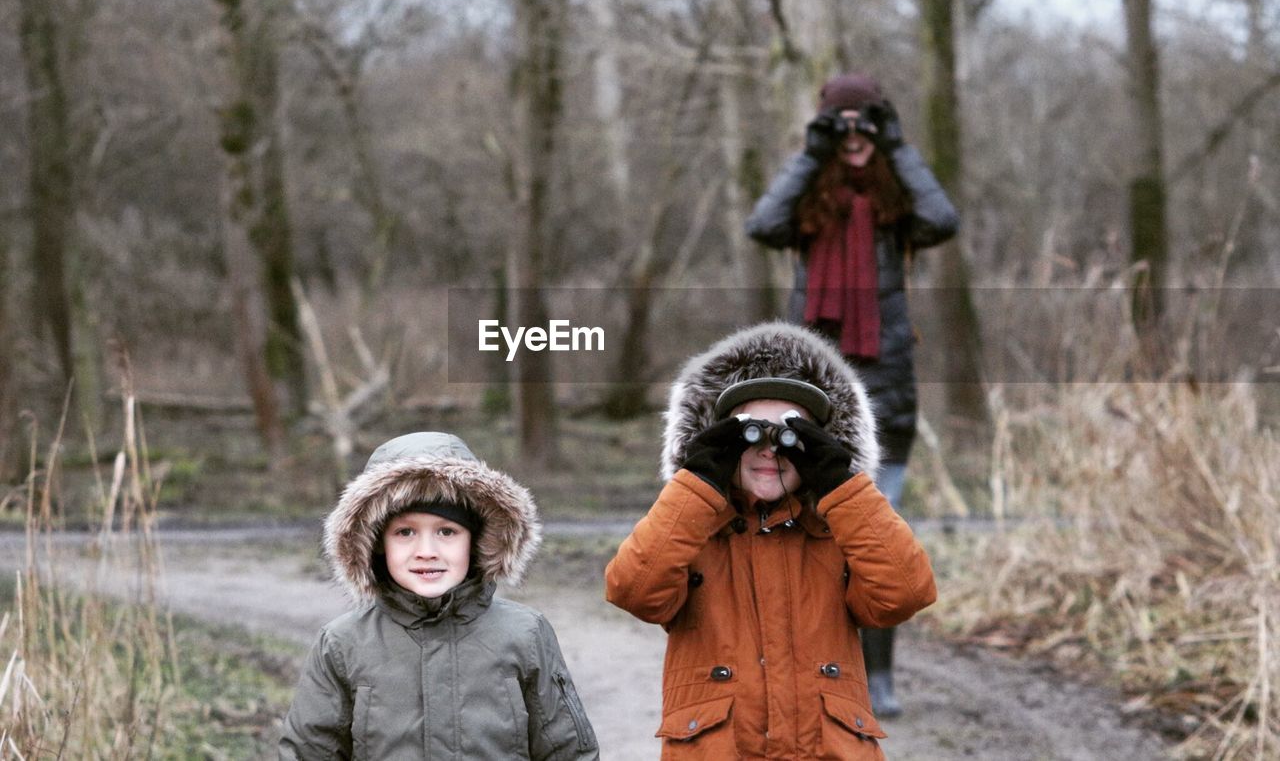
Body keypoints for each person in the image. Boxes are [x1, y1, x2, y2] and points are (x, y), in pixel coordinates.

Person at [605, 321, 936, 759]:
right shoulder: (693, 531)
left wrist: (842, 483)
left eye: (792, 435)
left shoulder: (840, 530)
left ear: (823, 444)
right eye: (751, 431)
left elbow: (906, 593)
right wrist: (696, 482)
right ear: (716, 438)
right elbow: (633, 590)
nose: (770, 449)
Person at [746, 72, 958, 717]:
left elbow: (943, 217)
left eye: (867, 122)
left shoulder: (898, 210)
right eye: (843, 124)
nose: (855, 137)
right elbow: (764, 222)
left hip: (887, 392)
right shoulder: (807, 204)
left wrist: (897, 148)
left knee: (876, 539)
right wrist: (812, 154)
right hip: (809, 389)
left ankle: (878, 674)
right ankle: (805, 677)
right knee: (803, 542)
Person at [279, 431, 599, 760]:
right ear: (375, 543)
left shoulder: (526, 635)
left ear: (477, 541)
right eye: (405, 532)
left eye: (447, 531)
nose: (427, 551)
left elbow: (569, 752)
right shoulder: (342, 645)